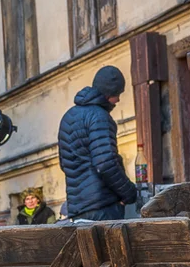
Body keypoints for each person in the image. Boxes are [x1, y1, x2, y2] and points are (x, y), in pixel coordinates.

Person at [57, 65, 138, 221]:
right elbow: (105, 163)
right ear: (109, 93)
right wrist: (128, 193)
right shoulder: (99, 116)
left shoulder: (68, 116)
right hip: (103, 206)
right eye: (118, 94)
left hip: (77, 208)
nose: (119, 100)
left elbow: (64, 163)